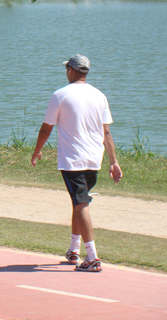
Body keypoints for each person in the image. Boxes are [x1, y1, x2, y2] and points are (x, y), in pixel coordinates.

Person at [31, 54, 122, 272]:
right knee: (78, 202)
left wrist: (36, 151)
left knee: (81, 204)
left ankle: (93, 257)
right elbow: (106, 131)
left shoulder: (60, 95)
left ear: (71, 70)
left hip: (73, 160)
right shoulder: (99, 96)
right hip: (93, 159)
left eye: (66, 69)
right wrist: (113, 161)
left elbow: (46, 128)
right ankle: (74, 250)